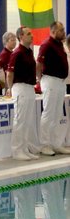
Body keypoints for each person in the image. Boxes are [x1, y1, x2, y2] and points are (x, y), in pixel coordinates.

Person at [5, 26, 40, 161]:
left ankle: (24, 148)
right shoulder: (17, 53)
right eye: (28, 34)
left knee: (27, 121)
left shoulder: (29, 51)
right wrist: (10, 88)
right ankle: (17, 149)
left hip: (29, 88)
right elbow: (9, 73)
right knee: (19, 120)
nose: (32, 36)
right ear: (21, 37)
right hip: (20, 87)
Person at [36, 21, 70, 155]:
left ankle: (56, 143)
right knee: (49, 113)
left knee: (57, 114)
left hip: (60, 82)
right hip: (50, 81)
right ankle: (45, 145)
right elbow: (38, 63)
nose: (63, 32)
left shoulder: (59, 45)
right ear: (53, 31)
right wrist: (40, 80)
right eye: (61, 30)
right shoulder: (46, 44)